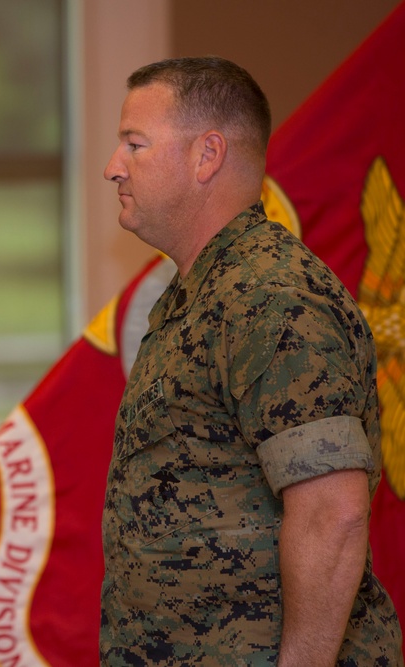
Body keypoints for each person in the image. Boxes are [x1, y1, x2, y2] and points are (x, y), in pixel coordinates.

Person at [99, 57, 402, 665]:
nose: (114, 168)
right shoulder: (206, 293)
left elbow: (332, 511)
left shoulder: (271, 297)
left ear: (206, 156)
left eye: (134, 144)